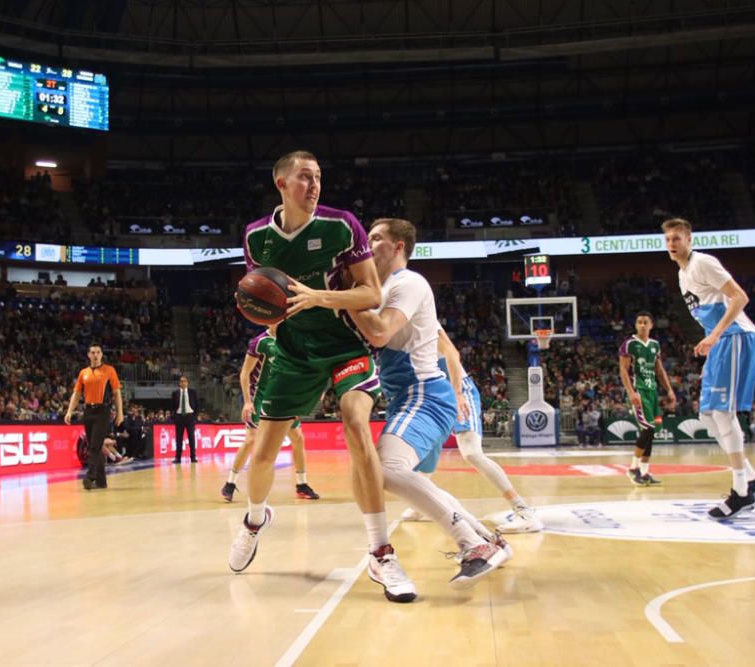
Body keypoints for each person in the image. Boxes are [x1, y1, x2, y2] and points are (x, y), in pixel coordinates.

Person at [228, 150, 414, 604]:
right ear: (281, 184)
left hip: (345, 345)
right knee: (264, 453)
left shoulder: (341, 224)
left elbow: (371, 292)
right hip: (292, 355)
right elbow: (262, 296)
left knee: (356, 424)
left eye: (318, 178)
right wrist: (267, 320)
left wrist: (318, 297)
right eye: (304, 178)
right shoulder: (256, 236)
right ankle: (255, 520)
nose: (313, 186)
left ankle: (381, 551)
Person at [346, 217, 510, 590]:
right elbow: (444, 346)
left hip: (422, 395)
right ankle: (489, 539)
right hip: (413, 396)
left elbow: (380, 332)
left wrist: (339, 295)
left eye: (376, 238)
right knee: (413, 479)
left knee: (383, 469)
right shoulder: (387, 289)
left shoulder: (408, 283)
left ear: (398, 246)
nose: (368, 244)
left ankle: (473, 545)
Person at [663, 218, 755, 518]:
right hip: (721, 342)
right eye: (668, 239)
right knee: (707, 416)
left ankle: (741, 492)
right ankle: (751, 477)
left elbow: (740, 297)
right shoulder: (682, 273)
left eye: (677, 238)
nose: (672, 244)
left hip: (735, 338)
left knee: (723, 413)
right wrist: (711, 338)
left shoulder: (703, 263)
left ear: (689, 239)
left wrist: (714, 335)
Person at [400, 328, 542, 533]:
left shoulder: (421, 317)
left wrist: (457, 394)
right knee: (427, 451)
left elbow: (452, 353)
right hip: (435, 394)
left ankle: (524, 512)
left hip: (458, 390)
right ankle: (421, 504)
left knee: (472, 453)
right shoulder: (399, 327)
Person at [222, 324, 320, 502]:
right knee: (251, 439)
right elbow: (245, 373)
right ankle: (230, 482)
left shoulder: (289, 340)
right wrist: (247, 402)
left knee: (298, 438)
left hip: (282, 397)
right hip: (259, 396)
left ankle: (301, 484)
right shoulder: (260, 342)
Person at [618, 311, 677, 486]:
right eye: (639, 322)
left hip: (652, 391)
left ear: (651, 325)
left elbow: (660, 371)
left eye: (645, 322)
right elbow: (623, 370)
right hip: (639, 391)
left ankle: (644, 472)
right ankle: (632, 468)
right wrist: (631, 392)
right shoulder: (629, 344)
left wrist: (669, 390)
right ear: (636, 325)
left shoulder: (655, 345)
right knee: (647, 430)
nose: (642, 325)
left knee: (651, 433)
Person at [65, 343, 124, 490]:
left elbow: (116, 393)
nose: (95, 355)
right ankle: (101, 481)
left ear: (102, 354)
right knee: (95, 447)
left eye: (98, 352)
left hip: (103, 411)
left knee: (95, 446)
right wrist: (69, 411)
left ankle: (90, 477)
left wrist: (120, 412)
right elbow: (77, 394)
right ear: (88, 355)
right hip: (88, 411)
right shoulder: (83, 373)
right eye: (92, 352)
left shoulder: (109, 370)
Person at [171, 376, 198, 463]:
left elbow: (197, 405)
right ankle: (178, 458)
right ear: (179, 383)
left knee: (191, 438)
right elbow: (172, 407)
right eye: (181, 381)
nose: (183, 383)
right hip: (179, 417)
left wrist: (194, 417)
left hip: (190, 417)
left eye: (185, 381)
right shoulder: (175, 393)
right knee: (179, 439)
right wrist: (175, 417)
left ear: (187, 383)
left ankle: (193, 457)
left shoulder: (192, 392)